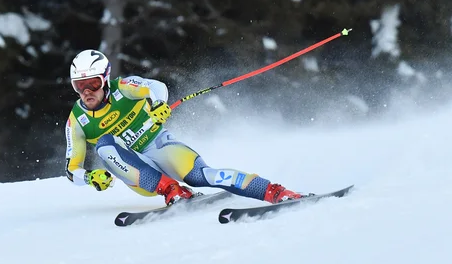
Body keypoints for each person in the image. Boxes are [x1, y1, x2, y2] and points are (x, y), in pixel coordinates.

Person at [63, 49, 305, 206]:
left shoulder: (123, 87)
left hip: (159, 147)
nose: (87, 92)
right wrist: (89, 177)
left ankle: (275, 191)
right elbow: (71, 170)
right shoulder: (76, 121)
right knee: (106, 145)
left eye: (92, 83)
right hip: (139, 175)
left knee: (203, 176)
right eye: (79, 86)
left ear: (104, 79)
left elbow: (154, 86)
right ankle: (172, 190)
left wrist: (158, 104)